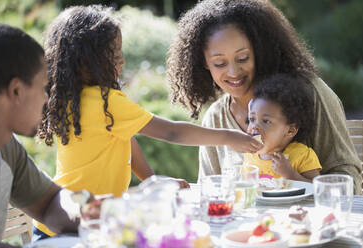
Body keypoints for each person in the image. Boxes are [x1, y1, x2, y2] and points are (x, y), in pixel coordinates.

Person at [34, 5, 263, 238]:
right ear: (85, 63)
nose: (121, 62)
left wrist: (154, 181)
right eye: (114, 56)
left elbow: (126, 141)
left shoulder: (68, 100)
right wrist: (228, 137)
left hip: (60, 217)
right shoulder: (107, 102)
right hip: (78, 224)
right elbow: (171, 132)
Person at [166, 0, 362, 192]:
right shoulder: (216, 118)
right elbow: (211, 194)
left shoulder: (310, 93)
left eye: (243, 58)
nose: (233, 72)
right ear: (205, 63)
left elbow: (346, 180)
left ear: (260, 50)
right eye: (219, 63)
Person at [0, 23, 84, 247]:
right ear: (16, 91)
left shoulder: (5, 147)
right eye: (43, 87)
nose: (46, 98)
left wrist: (92, 212)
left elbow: (49, 202)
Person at [244, 74, 321, 182]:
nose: (254, 126)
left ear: (290, 130)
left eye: (266, 121)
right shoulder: (248, 155)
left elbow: (318, 189)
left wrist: (292, 175)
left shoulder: (302, 155)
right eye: (252, 119)